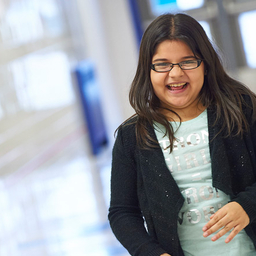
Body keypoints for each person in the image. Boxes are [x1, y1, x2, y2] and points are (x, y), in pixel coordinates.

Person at [108, 13, 256, 256]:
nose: (175, 74)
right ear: (148, 70)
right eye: (162, 64)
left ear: (206, 65)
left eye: (188, 61)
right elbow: (122, 213)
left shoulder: (241, 111)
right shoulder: (132, 136)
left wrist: (247, 206)